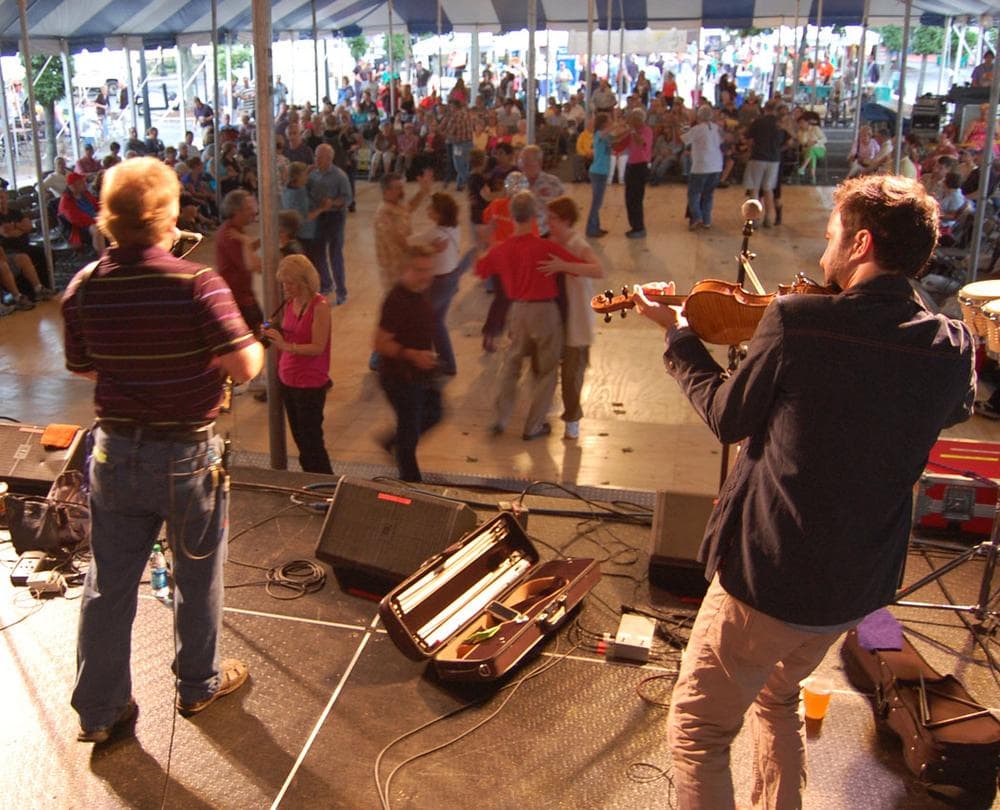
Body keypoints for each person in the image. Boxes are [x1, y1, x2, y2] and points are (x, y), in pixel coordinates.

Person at [633, 175, 975, 809]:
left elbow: (728, 418)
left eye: (830, 237)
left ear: (862, 241)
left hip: (770, 580)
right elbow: (946, 408)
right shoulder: (951, 347)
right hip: (853, 594)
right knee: (778, 700)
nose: (823, 256)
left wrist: (680, 336)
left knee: (700, 735)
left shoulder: (798, 321)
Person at [63, 157, 264, 744]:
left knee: (108, 584)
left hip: (113, 453)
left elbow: (82, 368)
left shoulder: (84, 286)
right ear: (169, 215)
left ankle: (101, 711)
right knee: (197, 577)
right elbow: (246, 365)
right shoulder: (197, 282)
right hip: (185, 455)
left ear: (107, 219)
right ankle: (197, 685)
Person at [476, 191, 584, 440]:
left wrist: (484, 243)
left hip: (518, 310)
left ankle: (500, 419)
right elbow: (577, 267)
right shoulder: (546, 247)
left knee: (511, 364)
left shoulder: (501, 250)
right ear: (535, 216)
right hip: (546, 312)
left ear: (511, 216)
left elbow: (480, 270)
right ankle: (533, 426)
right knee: (546, 371)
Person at [374, 245, 443, 482]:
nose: (426, 275)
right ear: (406, 269)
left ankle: (393, 442)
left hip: (419, 373)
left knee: (435, 413)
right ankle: (411, 485)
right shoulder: (396, 299)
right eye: (419, 270)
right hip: (399, 378)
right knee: (409, 434)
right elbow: (379, 343)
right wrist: (412, 354)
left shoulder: (419, 291)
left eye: (429, 270)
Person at [538, 196, 604, 439]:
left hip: (575, 320)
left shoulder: (577, 243)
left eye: (553, 218)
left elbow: (598, 269)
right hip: (554, 318)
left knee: (571, 376)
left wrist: (564, 265)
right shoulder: (549, 241)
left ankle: (572, 420)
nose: (548, 222)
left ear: (566, 220)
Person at [262, 255, 334, 475]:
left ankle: (325, 483)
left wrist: (286, 345)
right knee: (301, 441)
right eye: (284, 283)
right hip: (288, 378)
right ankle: (311, 479)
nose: (286, 287)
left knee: (311, 441)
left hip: (309, 382)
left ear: (304, 281)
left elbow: (318, 346)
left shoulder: (319, 306)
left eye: (290, 283)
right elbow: (289, 330)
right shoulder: (290, 302)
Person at [409, 192, 461, 376]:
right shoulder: (455, 228)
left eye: (430, 207)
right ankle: (447, 363)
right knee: (437, 322)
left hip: (437, 284)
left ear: (438, 213)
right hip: (451, 280)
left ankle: (423, 363)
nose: (427, 210)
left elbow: (409, 242)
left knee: (418, 320)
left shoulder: (434, 233)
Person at [307, 144, 352, 304]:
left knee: (335, 255)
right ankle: (326, 283)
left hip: (335, 218)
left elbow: (347, 199)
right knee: (318, 253)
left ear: (329, 159)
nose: (316, 160)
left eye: (319, 157)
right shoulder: (313, 174)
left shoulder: (340, 176)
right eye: (315, 156)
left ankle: (342, 292)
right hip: (320, 217)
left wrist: (332, 203)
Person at [216, 189, 262, 332]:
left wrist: (263, 238)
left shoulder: (235, 229)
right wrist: (247, 242)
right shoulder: (231, 235)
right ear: (237, 211)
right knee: (262, 335)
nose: (253, 212)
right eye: (248, 208)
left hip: (244, 295)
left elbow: (245, 252)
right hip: (239, 299)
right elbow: (254, 266)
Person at [744, 101, 786, 227]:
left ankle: (755, 219)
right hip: (774, 160)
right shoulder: (779, 124)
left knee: (755, 189)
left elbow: (749, 140)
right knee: (768, 189)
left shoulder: (757, 122)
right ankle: (768, 218)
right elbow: (785, 141)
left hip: (758, 157)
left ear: (765, 108)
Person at [682, 104, 724, 231]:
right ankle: (707, 220)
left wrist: (685, 126)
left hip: (701, 165)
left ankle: (697, 217)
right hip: (716, 165)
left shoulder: (698, 129)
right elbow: (721, 141)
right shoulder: (716, 127)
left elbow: (684, 139)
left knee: (694, 193)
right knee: (708, 194)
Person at [615, 109, 653, 238]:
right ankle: (634, 226)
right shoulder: (631, 132)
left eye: (632, 118)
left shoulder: (646, 130)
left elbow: (641, 142)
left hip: (640, 167)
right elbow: (618, 144)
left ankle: (639, 228)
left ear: (639, 120)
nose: (629, 120)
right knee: (629, 199)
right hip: (631, 166)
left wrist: (632, 131)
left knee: (636, 199)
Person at [586, 113, 612, 238]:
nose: (611, 122)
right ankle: (591, 229)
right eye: (609, 120)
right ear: (604, 123)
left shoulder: (606, 136)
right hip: (597, 172)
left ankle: (595, 226)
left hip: (602, 171)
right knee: (597, 202)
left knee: (598, 201)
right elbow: (605, 134)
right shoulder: (599, 134)